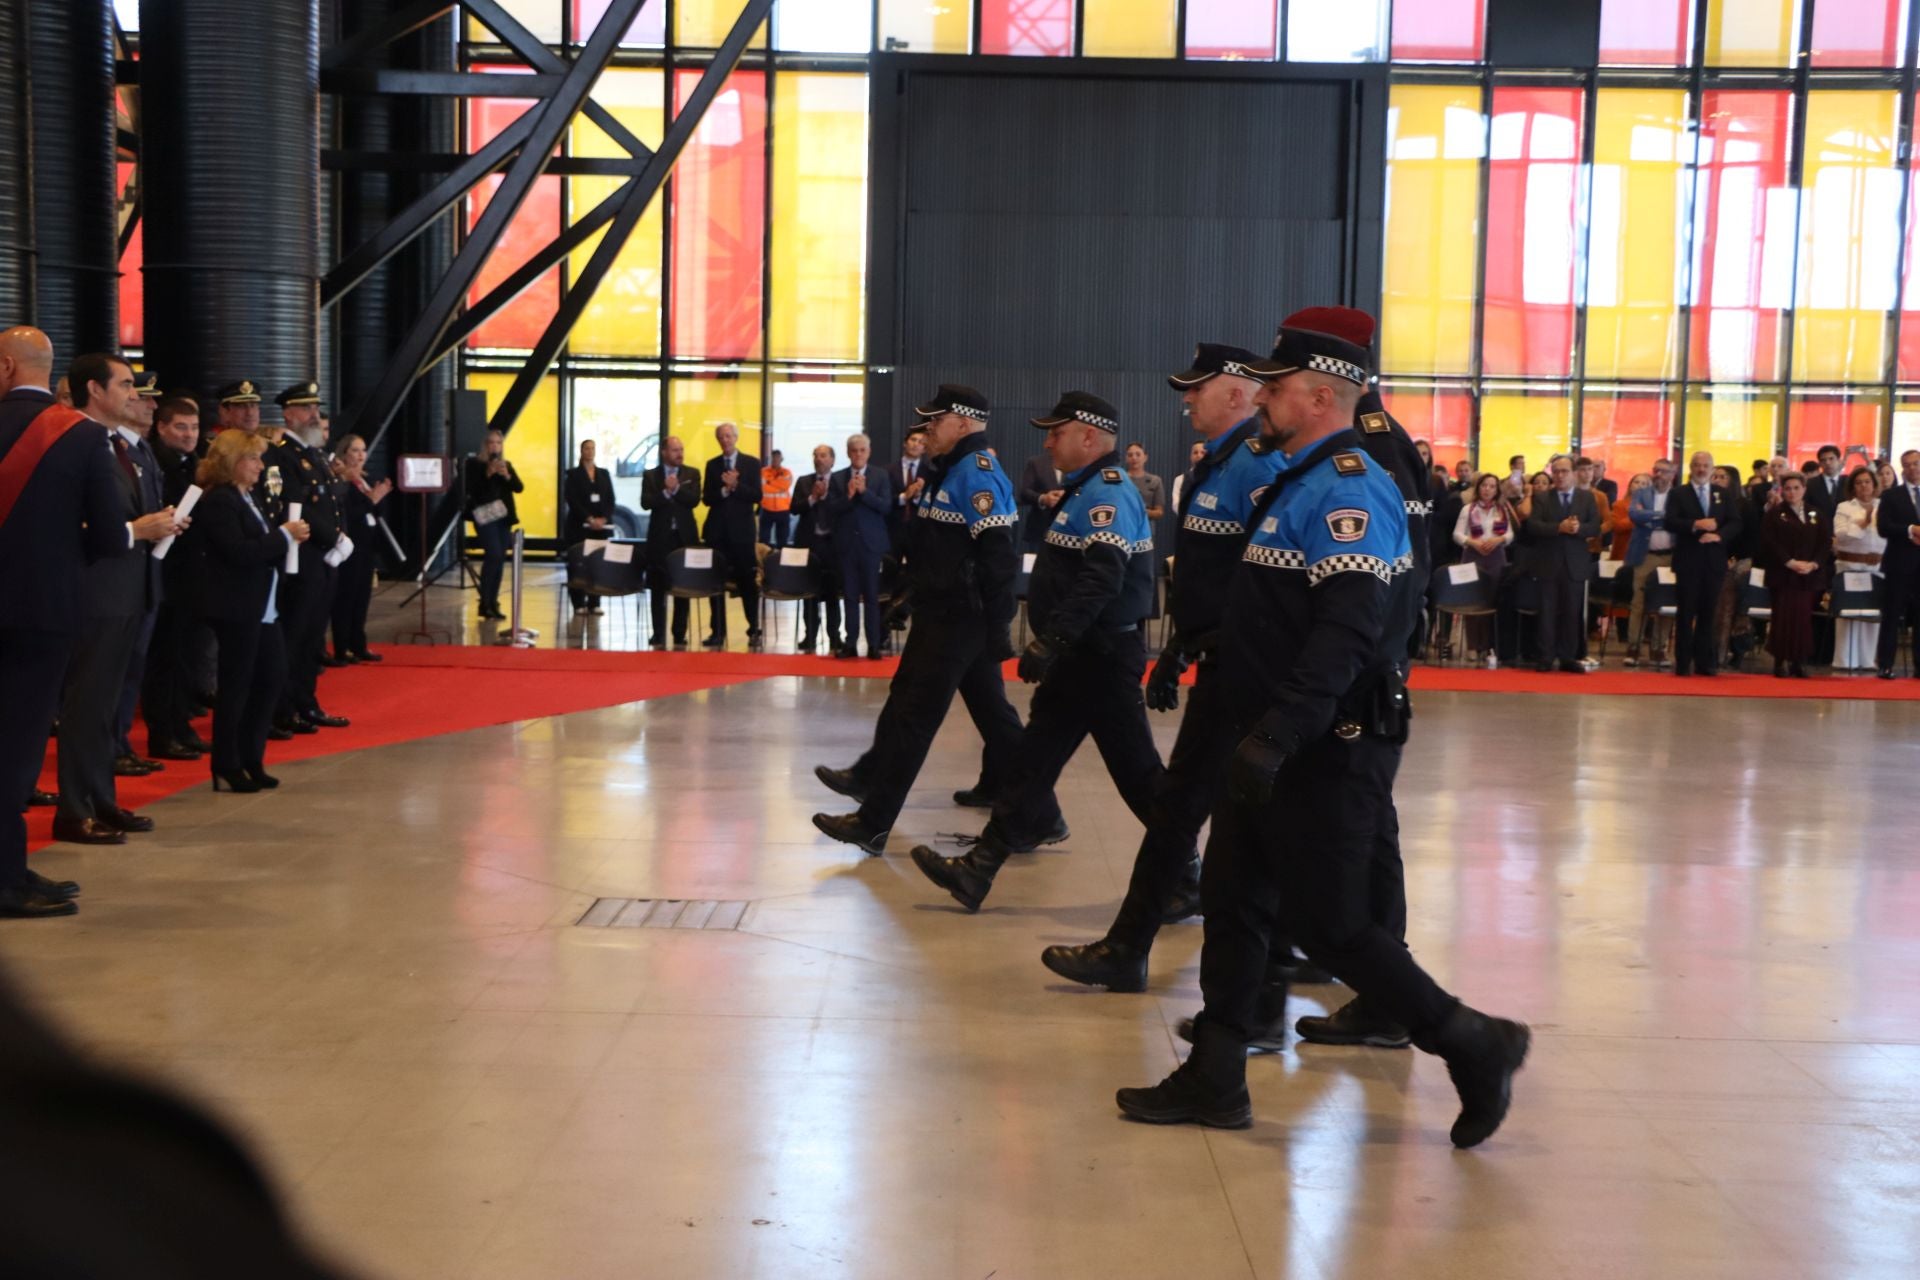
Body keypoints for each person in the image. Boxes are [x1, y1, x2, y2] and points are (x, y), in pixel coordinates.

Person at [1115, 305, 1527, 1149]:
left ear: (1315, 396)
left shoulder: (1351, 488)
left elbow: (1347, 631)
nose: (1261, 397)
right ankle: (1217, 1076)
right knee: (1233, 901)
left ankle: (1472, 1040)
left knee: (1331, 924)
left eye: (1275, 386)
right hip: (1261, 735)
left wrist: (1281, 734)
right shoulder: (1294, 479)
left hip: (1322, 747)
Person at [1040, 346, 1285, 992]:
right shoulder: (1216, 465)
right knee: (1179, 814)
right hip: (1218, 663)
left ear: (1235, 394)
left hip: (1245, 671)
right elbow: (1209, 577)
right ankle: (1132, 948)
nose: (1185, 401)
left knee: (1240, 825)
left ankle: (1285, 963)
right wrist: (1180, 646)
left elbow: (1264, 583)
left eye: (1196, 390)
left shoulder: (1258, 468)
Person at [910, 391, 1157, 912]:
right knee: (1031, 763)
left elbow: (1101, 579)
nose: (1047, 443)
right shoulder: (1083, 488)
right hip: (1080, 658)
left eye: (1057, 433)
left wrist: (1052, 639)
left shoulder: (1107, 492)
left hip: (1102, 658)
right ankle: (979, 870)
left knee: (1138, 775)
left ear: (1089, 437)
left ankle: (1184, 873)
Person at [1, 329, 179, 911]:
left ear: (6, 369)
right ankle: (9, 878)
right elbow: (106, 536)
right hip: (45, 611)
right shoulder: (79, 437)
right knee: (20, 748)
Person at [811, 386, 1026, 855]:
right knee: (992, 716)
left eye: (936, 421)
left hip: (960, 618)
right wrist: (908, 596)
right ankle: (1039, 812)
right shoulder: (948, 471)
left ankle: (872, 818)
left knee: (914, 714)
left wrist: (997, 627)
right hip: (940, 609)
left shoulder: (978, 474)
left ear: (964, 423)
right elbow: (937, 550)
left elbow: (999, 560)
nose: (926, 429)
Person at [52, 354, 166, 846]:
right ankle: (74, 810)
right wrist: (134, 529)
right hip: (93, 591)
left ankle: (101, 799)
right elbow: (61, 525)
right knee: (83, 708)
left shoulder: (122, 446)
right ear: (94, 390)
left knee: (105, 710)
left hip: (128, 589)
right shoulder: (71, 441)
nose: (134, 394)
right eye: (124, 385)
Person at [185, 431, 309, 793]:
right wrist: (284, 536)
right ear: (232, 462)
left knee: (271, 677)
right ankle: (227, 762)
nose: (260, 466)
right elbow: (239, 552)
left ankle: (251, 756)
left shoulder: (247, 495)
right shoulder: (220, 501)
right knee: (237, 686)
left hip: (261, 603)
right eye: (253, 459)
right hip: (237, 605)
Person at [261, 383, 348, 732]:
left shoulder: (313, 454)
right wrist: (335, 537)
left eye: (315, 408)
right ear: (288, 414)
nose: (314, 414)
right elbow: (295, 507)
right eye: (306, 408)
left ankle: (306, 701)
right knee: (294, 635)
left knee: (313, 636)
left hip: (322, 557)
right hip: (302, 556)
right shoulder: (281, 454)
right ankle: (283, 707)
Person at [109, 371, 169, 775]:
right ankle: (109, 747)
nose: (148, 404)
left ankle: (120, 741)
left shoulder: (142, 450)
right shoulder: (114, 450)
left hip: (145, 575)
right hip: (116, 579)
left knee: (131, 668)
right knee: (110, 673)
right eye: (139, 396)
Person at [143, 396, 210, 757]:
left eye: (194, 427)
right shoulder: (157, 463)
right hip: (166, 574)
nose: (189, 435)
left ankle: (181, 725)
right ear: (162, 428)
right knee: (164, 658)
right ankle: (162, 732)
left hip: (192, 576)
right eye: (181, 427)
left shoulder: (196, 464)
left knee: (187, 657)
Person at [1665, 451, 1742, 677]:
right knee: (1686, 612)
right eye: (1697, 465)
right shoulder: (1679, 493)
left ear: (1712, 468)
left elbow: (1735, 522)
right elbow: (1669, 521)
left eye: (1706, 465)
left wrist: (1719, 535)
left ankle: (1705, 662)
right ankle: (1682, 662)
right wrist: (1695, 524)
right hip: (1688, 561)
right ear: (1691, 468)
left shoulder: (1721, 494)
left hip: (1714, 562)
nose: (1701, 469)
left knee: (1709, 613)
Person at [1525, 457, 1599, 673]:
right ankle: (1545, 656)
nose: (1559, 475)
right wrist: (1559, 527)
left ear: (1574, 473)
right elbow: (1533, 526)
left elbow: (1595, 526)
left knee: (1572, 612)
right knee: (1547, 612)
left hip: (1575, 564)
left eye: (1564, 471)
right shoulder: (1542, 498)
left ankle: (1568, 657)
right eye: (1556, 471)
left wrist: (1578, 529)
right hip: (1549, 563)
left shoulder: (1586, 498)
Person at [826, 433, 893, 659]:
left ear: (869, 452)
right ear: (848, 453)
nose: (858, 454)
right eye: (854, 451)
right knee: (850, 596)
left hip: (871, 545)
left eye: (862, 450)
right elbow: (831, 509)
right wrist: (849, 495)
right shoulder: (837, 478)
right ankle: (851, 642)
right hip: (846, 545)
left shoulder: (880, 476)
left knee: (872, 597)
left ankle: (874, 644)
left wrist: (864, 493)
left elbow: (886, 507)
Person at [328, 434, 391, 663]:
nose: (361, 455)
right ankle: (342, 648)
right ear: (344, 454)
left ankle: (359, 644)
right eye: (355, 450)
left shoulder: (362, 480)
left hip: (367, 546)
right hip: (350, 546)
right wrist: (370, 500)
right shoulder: (341, 481)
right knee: (346, 598)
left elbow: (374, 511)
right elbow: (348, 514)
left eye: (363, 450)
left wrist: (377, 498)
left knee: (362, 598)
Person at [1760, 473, 1829, 678]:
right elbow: (1769, 542)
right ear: (1782, 491)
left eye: (1796, 488)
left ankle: (1799, 661)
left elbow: (1825, 543)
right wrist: (1789, 562)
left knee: (1802, 620)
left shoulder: (1816, 514)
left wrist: (1814, 564)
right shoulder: (1774, 514)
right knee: (1782, 617)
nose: (1792, 492)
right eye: (1788, 488)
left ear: (1804, 489)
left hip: (1807, 575)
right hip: (1782, 574)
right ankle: (1780, 661)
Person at [700, 421, 763, 648]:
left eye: (728, 436)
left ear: (735, 438)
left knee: (747, 582)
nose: (725, 440)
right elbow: (706, 498)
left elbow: (757, 495)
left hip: (742, 535)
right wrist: (725, 489)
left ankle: (754, 627)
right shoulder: (713, 465)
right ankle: (717, 632)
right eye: (721, 437)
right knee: (715, 583)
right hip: (717, 534)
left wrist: (736, 485)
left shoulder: (751, 463)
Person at [641, 435, 702, 649]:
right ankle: (658, 633)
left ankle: (679, 633)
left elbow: (694, 500)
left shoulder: (692, 473)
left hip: (684, 537)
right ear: (664, 452)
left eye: (681, 449)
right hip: (660, 539)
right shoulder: (651, 475)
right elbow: (646, 503)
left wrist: (676, 489)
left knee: (682, 587)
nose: (680, 454)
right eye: (675, 450)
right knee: (658, 588)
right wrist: (666, 492)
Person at [1452, 473, 1514, 667]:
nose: (1488, 489)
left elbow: (1510, 534)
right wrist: (1472, 542)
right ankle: (1472, 645)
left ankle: (1488, 645)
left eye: (1492, 486)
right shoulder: (1468, 509)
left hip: (1496, 557)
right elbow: (1457, 534)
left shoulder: (1502, 509)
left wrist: (1499, 539)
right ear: (1478, 487)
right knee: (1473, 601)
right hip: (1473, 556)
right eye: (1484, 486)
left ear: (1497, 490)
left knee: (1491, 600)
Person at [787, 443, 842, 654]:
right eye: (816, 455)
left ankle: (834, 636)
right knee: (809, 593)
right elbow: (794, 509)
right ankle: (810, 635)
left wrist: (826, 497)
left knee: (831, 593)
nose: (819, 459)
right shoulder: (803, 481)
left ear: (832, 460)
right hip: (809, 544)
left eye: (823, 455)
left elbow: (842, 509)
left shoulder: (839, 481)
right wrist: (813, 498)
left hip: (832, 545)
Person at [463, 427, 523, 622]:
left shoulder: (506, 464)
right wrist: (488, 474)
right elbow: (474, 491)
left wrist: (506, 475)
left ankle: (493, 602)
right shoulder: (474, 464)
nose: (495, 446)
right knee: (493, 554)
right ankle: (484, 602)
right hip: (485, 516)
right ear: (485, 445)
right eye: (491, 443)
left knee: (500, 558)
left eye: (498, 443)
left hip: (502, 517)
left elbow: (519, 487)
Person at [1623, 458, 1677, 668]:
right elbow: (1635, 514)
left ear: (1673, 475)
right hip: (1645, 555)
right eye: (1656, 471)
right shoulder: (1642, 493)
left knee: (1666, 604)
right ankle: (1633, 647)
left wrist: (1652, 519)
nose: (1659, 475)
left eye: (1664, 472)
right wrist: (1662, 516)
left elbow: (1677, 519)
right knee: (1638, 603)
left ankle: (1659, 648)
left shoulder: (1678, 496)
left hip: (1670, 556)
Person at [1832, 466, 1885, 670]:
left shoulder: (1884, 505)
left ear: (1874, 485)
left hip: (1877, 567)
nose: (1864, 486)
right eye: (1859, 482)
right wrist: (1863, 521)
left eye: (1867, 482)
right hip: (1850, 565)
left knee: (1872, 615)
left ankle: (1868, 660)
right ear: (1853, 487)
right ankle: (1845, 660)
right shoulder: (1845, 507)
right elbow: (1841, 535)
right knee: (1849, 613)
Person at [1875, 449, 1920, 679]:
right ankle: (1885, 664)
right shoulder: (1892, 496)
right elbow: (1883, 528)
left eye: (1916, 463)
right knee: (1892, 616)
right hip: (1899, 564)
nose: (1912, 468)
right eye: (1907, 465)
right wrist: (1910, 530)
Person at [562, 438, 617, 615]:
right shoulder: (573, 474)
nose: (590, 451)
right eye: (587, 448)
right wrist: (589, 518)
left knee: (598, 562)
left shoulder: (604, 473)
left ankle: (595, 601)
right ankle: (578, 602)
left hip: (600, 528)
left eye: (593, 448)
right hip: (579, 527)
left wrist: (603, 519)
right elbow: (572, 499)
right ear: (581, 450)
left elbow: (610, 499)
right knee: (578, 563)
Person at [1015, 446, 1063, 547]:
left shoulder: (1077, 464)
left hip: (1067, 531)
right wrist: (1043, 498)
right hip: (1040, 528)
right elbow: (1024, 492)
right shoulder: (1036, 462)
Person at [759, 448, 793, 550]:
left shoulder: (787, 472)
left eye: (778, 458)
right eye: (773, 458)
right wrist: (777, 486)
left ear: (781, 459)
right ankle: (764, 560)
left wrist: (770, 483)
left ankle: (780, 561)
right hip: (766, 509)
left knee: (782, 539)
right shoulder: (763, 472)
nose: (775, 460)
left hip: (783, 510)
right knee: (764, 539)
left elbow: (785, 486)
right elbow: (763, 487)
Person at [1124, 442, 1165, 520]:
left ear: (1145, 457)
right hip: (1125, 526)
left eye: (1138, 454)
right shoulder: (1121, 480)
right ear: (1126, 458)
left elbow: (1159, 512)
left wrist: (1141, 511)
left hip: (1147, 527)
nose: (1134, 458)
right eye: (1130, 455)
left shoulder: (1155, 481)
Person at [1169, 438, 1206, 514]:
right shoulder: (1180, 479)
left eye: (1203, 453)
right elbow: (1176, 505)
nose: (1199, 455)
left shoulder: (1215, 478)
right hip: (1186, 520)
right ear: (1190, 456)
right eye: (1195, 453)